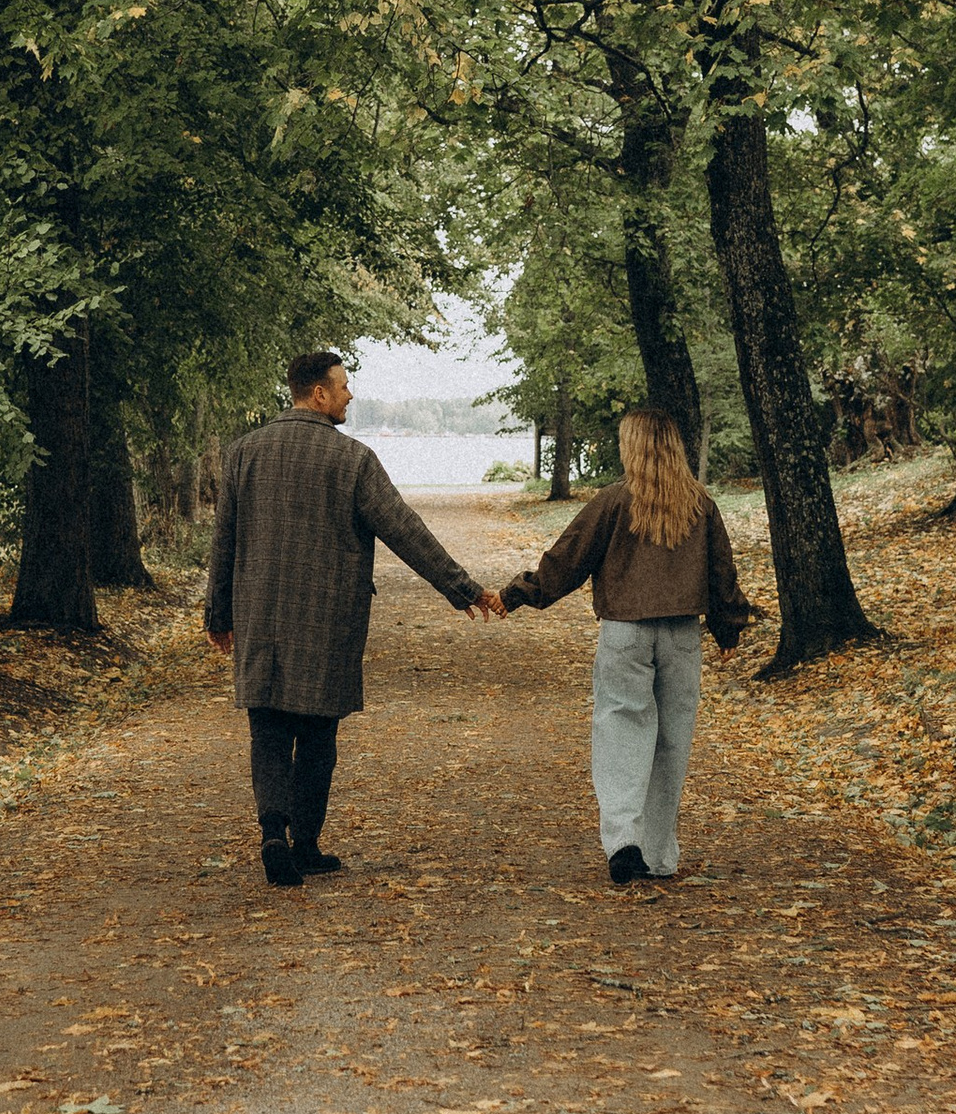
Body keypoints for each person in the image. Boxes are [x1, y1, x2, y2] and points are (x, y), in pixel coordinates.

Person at [205, 348, 504, 887]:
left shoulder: (242, 454)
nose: (349, 396)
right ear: (318, 394)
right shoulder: (353, 461)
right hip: (328, 618)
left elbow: (223, 541)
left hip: (261, 618)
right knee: (318, 731)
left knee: (268, 727)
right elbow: (404, 529)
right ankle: (306, 843)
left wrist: (217, 613)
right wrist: (462, 589)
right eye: (343, 387)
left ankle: (273, 833)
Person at [500, 407, 759, 889]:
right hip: (682, 633)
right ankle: (659, 855)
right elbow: (723, 573)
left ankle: (624, 844)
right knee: (670, 741)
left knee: (621, 730)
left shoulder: (615, 501)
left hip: (624, 632)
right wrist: (729, 628)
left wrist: (518, 594)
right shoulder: (700, 504)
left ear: (633, 447)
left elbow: (568, 558)